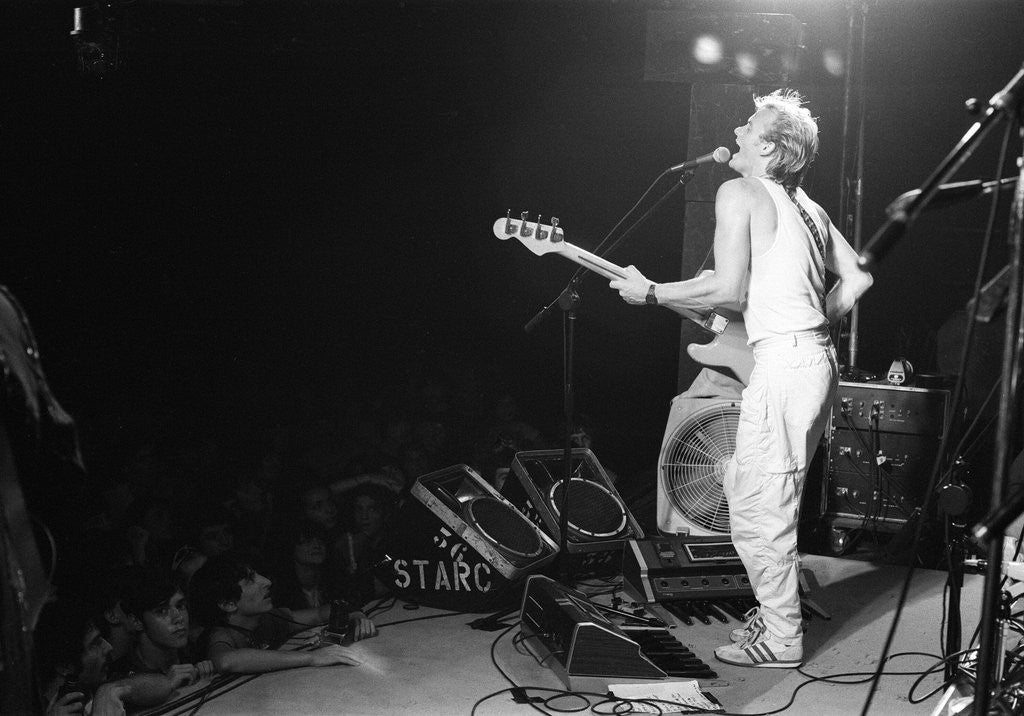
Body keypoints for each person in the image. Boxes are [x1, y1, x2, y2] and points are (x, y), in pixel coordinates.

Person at [610, 89, 873, 668]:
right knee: (751, 487)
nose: (738, 127)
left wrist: (650, 291)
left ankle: (781, 639)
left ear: (771, 148)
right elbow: (858, 278)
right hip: (812, 361)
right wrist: (813, 323)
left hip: (787, 364)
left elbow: (726, 290)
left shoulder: (741, 191)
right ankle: (775, 610)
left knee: (758, 508)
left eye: (749, 124)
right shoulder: (808, 207)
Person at [190, 554, 377, 674]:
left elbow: (319, 614)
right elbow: (226, 660)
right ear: (228, 603)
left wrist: (356, 615)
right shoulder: (221, 635)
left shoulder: (267, 619)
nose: (265, 582)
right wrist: (313, 657)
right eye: (250, 581)